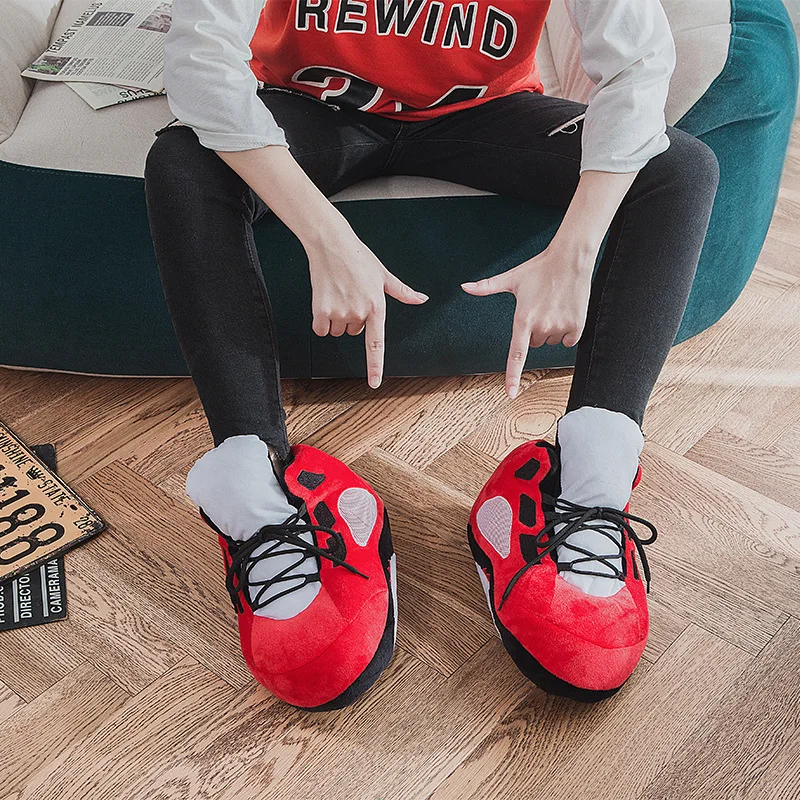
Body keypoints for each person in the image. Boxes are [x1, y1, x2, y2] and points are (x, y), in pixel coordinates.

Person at [143, 0, 720, 710]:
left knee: (680, 168)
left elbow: (639, 63)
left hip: (481, 115)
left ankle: (589, 484)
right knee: (182, 162)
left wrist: (576, 248)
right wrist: (326, 236)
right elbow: (201, 62)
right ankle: (259, 495)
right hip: (310, 106)